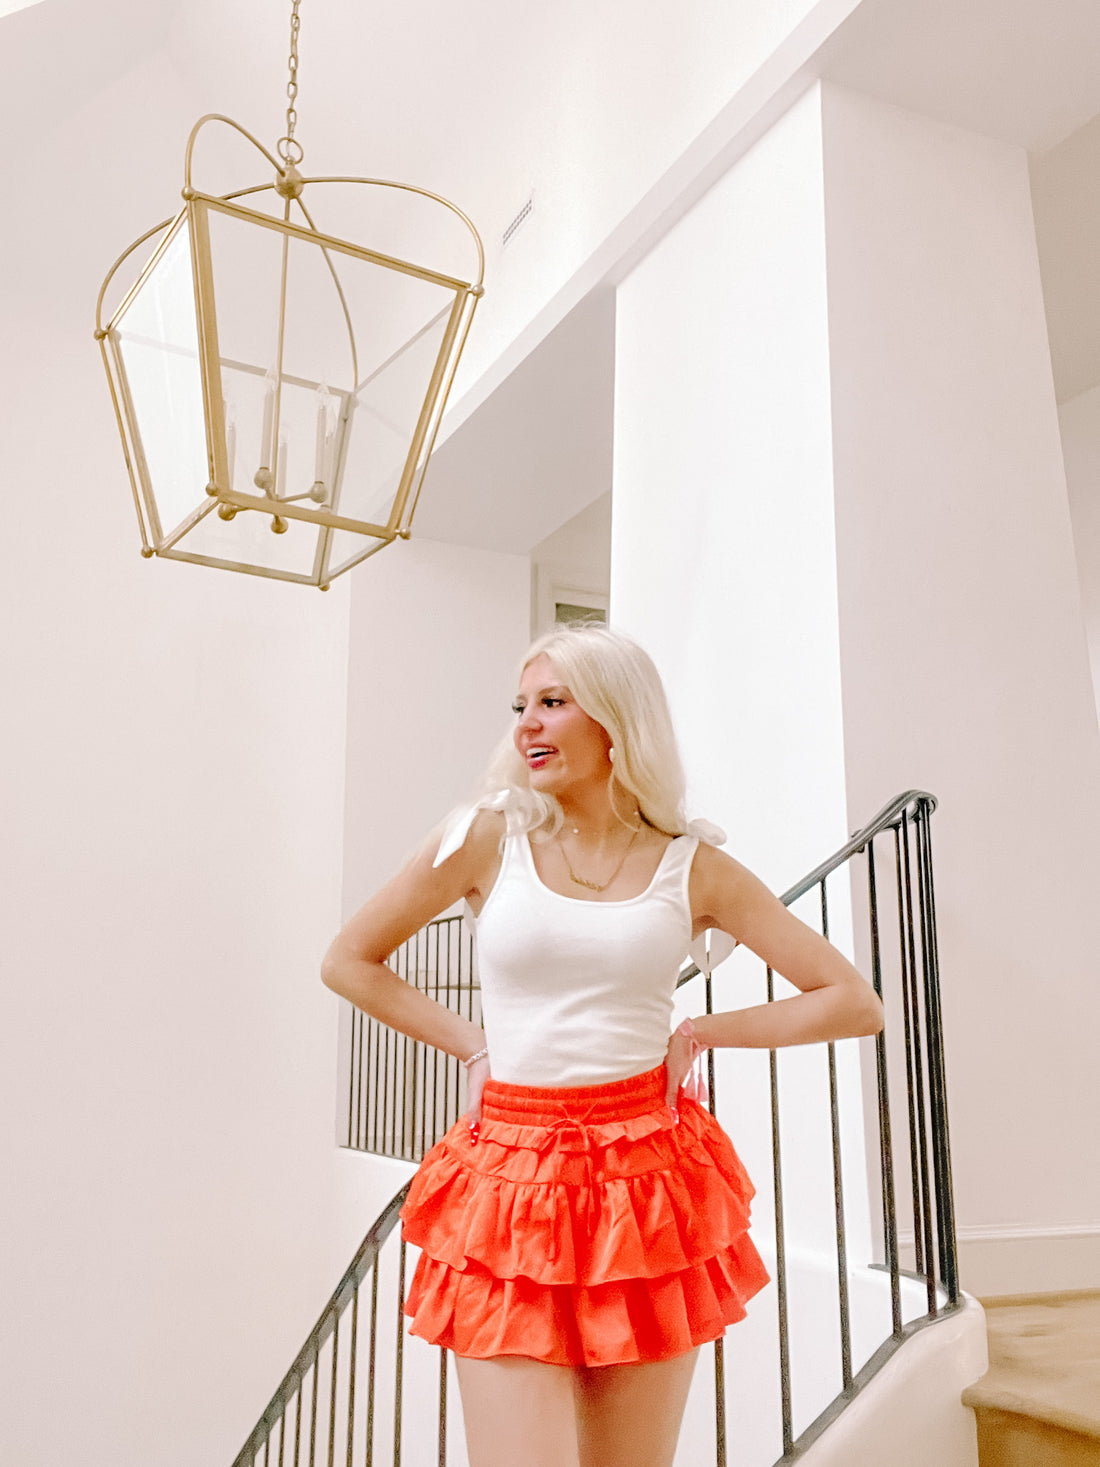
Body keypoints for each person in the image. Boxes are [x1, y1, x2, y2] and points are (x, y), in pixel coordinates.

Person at [321, 625, 883, 1467]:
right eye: (521, 705)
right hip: (510, 1180)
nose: (527, 725)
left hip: (645, 1183)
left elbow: (853, 1000)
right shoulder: (484, 837)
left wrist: (700, 1031)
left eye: (552, 702)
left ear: (617, 718)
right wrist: (473, 1046)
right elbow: (348, 960)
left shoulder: (693, 865)